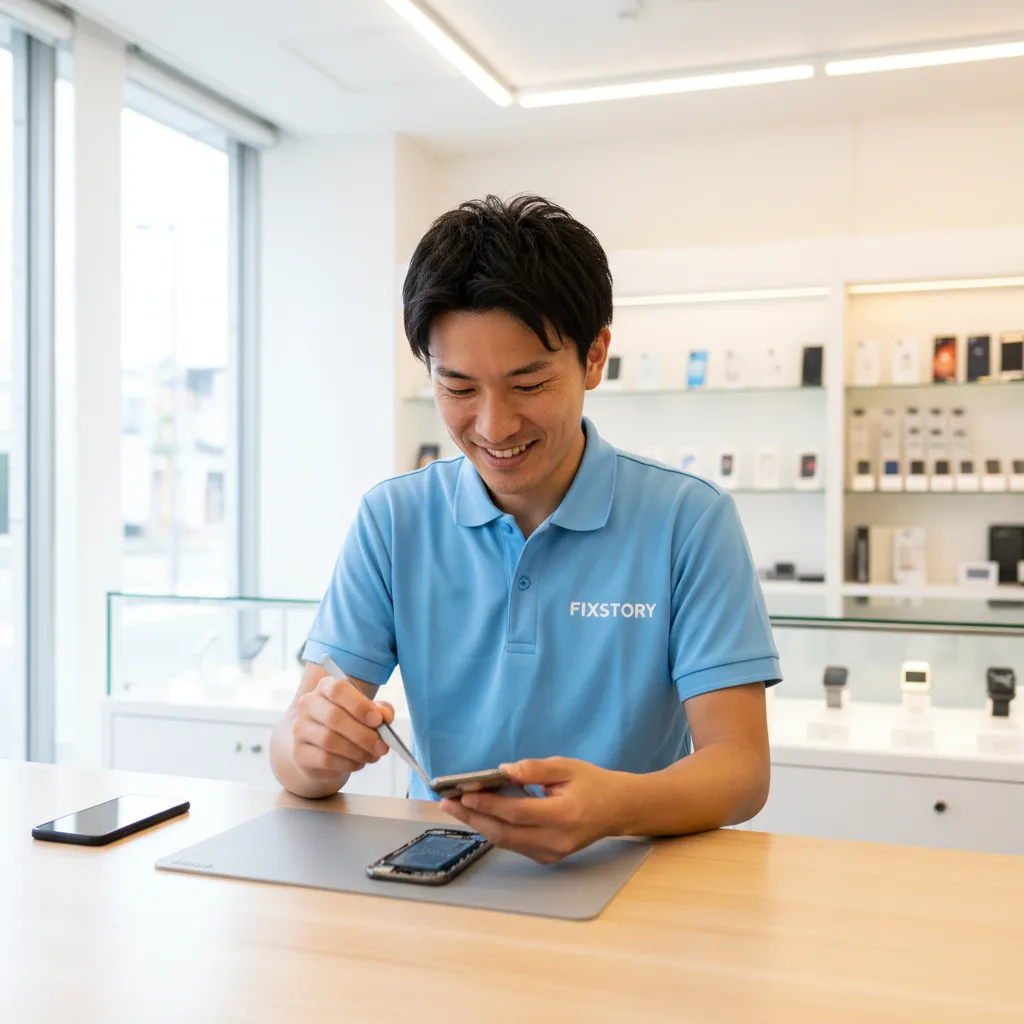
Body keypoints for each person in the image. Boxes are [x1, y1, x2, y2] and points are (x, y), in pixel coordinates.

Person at [270, 195, 781, 863]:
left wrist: (614, 808)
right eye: (457, 388)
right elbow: (295, 749)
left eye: (528, 384)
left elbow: (740, 768)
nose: (493, 426)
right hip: (439, 871)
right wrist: (311, 749)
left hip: (627, 874)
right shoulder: (393, 520)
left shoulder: (688, 520)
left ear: (594, 357)